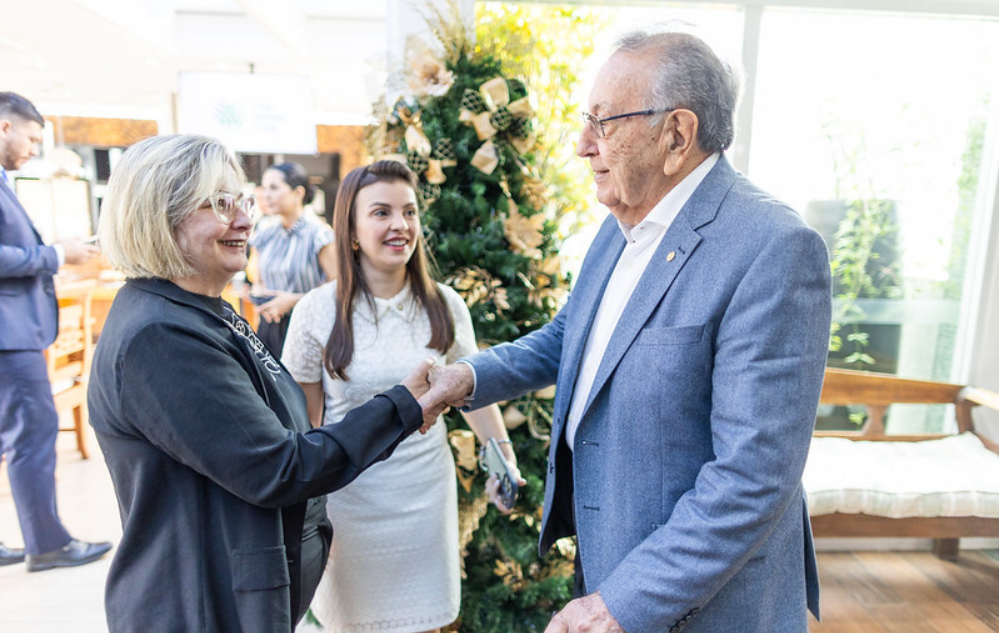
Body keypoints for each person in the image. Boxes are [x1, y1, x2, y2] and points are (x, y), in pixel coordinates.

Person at [425, 28, 832, 633]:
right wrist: (465, 377)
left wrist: (623, 603)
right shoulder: (622, 221)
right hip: (614, 559)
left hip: (704, 600)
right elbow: (572, 338)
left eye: (603, 122)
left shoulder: (774, 248)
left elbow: (752, 475)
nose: (582, 144)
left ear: (677, 134)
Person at [87, 134, 448, 633]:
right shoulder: (161, 336)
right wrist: (402, 406)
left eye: (241, 199)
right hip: (196, 608)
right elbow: (278, 466)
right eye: (218, 203)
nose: (243, 219)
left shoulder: (202, 311)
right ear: (158, 215)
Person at [282, 159, 519, 633]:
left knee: (424, 624)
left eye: (409, 212)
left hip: (424, 501)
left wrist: (503, 459)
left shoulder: (447, 306)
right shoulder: (315, 312)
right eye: (381, 212)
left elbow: (474, 395)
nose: (400, 225)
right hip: (350, 504)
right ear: (350, 230)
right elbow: (302, 426)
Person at [0, 91, 111, 572]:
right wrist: (57, 256)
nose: (34, 148)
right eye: (32, 137)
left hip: (17, 330)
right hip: (10, 336)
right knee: (34, 434)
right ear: (5, 127)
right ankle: (47, 545)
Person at [247, 161, 337, 358]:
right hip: (269, 328)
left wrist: (293, 301)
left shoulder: (319, 235)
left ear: (298, 193)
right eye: (264, 187)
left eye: (274, 187)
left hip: (308, 327)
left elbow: (339, 289)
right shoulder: (264, 233)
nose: (266, 194)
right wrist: (259, 294)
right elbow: (257, 281)